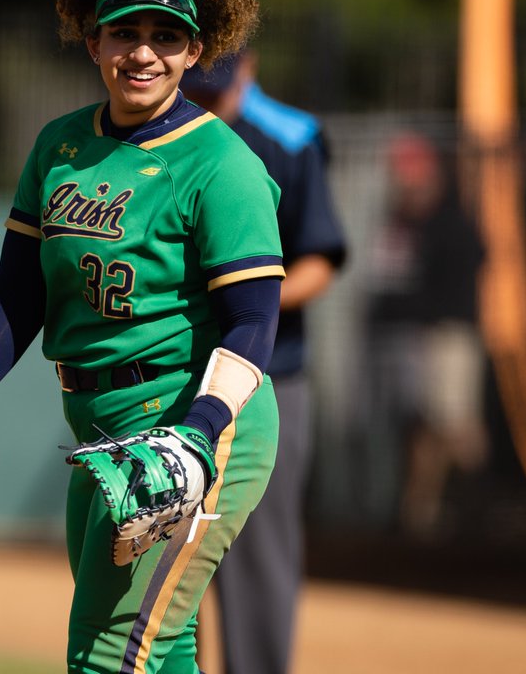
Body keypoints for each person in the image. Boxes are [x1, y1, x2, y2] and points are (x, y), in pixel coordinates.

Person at [0, 0, 285, 674]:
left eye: (165, 37)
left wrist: (199, 431)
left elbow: (254, 320)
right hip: (101, 428)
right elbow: (19, 294)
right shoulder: (60, 146)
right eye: (125, 32)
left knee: (108, 652)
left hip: (194, 422)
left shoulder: (221, 164)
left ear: (195, 51)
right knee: (158, 646)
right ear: (92, 40)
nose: (143, 52)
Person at [182, 53, 347, 674]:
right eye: (197, 87)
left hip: (269, 378)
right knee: (161, 548)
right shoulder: (156, 133)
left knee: (256, 554)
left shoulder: (289, 138)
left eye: (217, 89)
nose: (206, 99)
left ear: (247, 69)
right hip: (176, 374)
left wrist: (249, 301)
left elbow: (320, 260)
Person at [363, 131, 488, 539]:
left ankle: (478, 505)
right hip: (423, 338)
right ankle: (420, 514)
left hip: (448, 336)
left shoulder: (450, 224)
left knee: (455, 427)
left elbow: (447, 289)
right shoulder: (410, 224)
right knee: (424, 429)